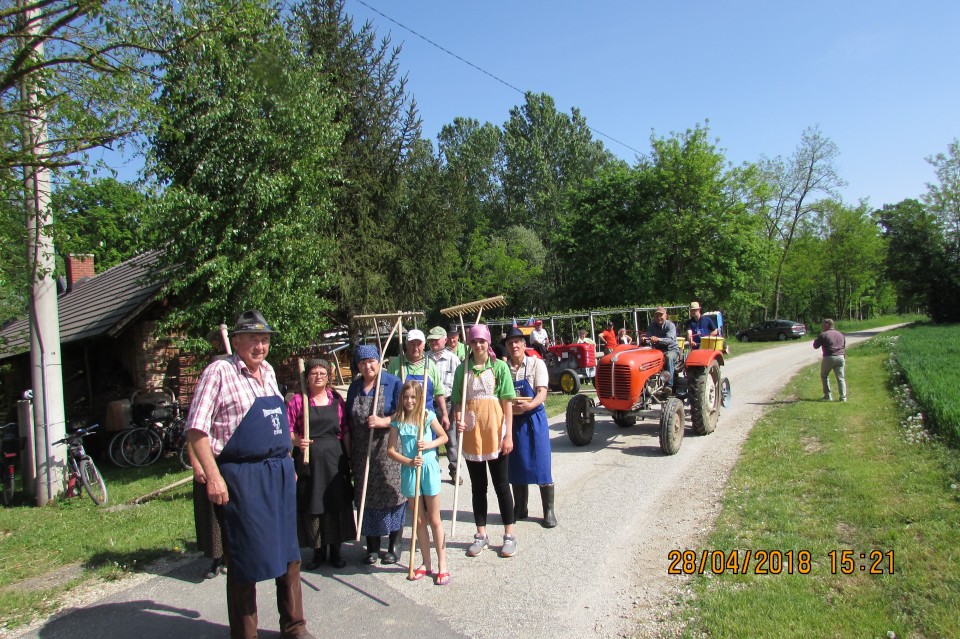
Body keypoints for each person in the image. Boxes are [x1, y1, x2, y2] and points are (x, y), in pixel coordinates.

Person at [185, 310, 313, 639]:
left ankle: (295, 628)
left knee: (289, 555)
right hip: (241, 478)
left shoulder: (268, 371)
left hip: (278, 475)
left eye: (265, 339)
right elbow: (196, 430)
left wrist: (287, 460)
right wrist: (213, 477)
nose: (260, 346)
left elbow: (276, 423)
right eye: (253, 339)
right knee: (245, 560)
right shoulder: (219, 372)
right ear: (237, 341)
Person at [451, 323, 518, 558]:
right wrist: (458, 419)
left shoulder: (499, 367)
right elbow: (457, 402)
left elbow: (507, 402)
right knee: (478, 487)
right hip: (471, 434)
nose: (478, 345)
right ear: (468, 344)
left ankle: (509, 535)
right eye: (474, 341)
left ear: (488, 343)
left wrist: (508, 434)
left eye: (482, 341)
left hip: (495, 432)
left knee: (501, 485)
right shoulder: (463, 369)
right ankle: (481, 534)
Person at [287, 359, 355, 570]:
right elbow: (287, 429)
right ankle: (317, 552)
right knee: (313, 503)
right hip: (309, 460)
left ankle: (335, 550)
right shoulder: (298, 401)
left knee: (335, 503)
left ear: (328, 377)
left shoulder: (336, 400)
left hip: (334, 459)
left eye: (322, 373)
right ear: (307, 376)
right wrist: (297, 441)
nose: (318, 376)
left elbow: (344, 431)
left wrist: (350, 458)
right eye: (314, 373)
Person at [386, 380, 450, 585]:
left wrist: (430, 444)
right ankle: (426, 563)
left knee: (435, 519)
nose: (409, 401)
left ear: (420, 398)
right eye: (405, 397)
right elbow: (391, 450)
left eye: (413, 397)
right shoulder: (397, 420)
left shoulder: (427, 416)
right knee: (418, 521)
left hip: (429, 468)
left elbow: (444, 437)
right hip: (410, 471)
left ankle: (442, 566)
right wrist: (408, 461)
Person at [346, 344, 405, 565]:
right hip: (362, 451)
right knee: (366, 497)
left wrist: (385, 421)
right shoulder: (355, 387)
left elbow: (405, 412)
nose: (367, 366)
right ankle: (371, 545)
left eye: (371, 361)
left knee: (393, 494)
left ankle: (394, 543)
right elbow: (348, 419)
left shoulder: (392, 383)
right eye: (362, 362)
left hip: (387, 449)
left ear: (379, 362)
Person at [504, 327, 557, 528]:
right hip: (514, 421)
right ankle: (521, 507)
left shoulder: (537, 364)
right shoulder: (504, 368)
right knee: (516, 464)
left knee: (541, 462)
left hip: (534, 419)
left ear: (524, 345)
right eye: (510, 343)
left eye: (517, 342)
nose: (514, 346)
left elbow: (542, 392)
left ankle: (548, 511)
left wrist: (530, 405)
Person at [387, 329, 449, 429]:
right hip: (403, 419)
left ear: (424, 345)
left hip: (427, 419)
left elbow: (438, 392)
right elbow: (388, 392)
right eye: (412, 343)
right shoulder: (396, 364)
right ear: (406, 344)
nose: (415, 347)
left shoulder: (430, 365)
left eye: (419, 344)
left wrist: (445, 414)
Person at [426, 326, 462, 484]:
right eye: (431, 339)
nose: (433, 342)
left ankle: (455, 471)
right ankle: (432, 471)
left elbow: (459, 385)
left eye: (436, 339)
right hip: (428, 405)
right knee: (429, 438)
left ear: (445, 340)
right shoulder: (425, 358)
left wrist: (455, 407)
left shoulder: (453, 359)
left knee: (450, 439)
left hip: (447, 404)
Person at [643, 307, 680, 393]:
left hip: (671, 349)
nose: (658, 317)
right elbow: (649, 337)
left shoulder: (670, 325)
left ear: (666, 316)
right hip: (657, 350)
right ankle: (646, 384)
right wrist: (644, 339)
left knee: (668, 357)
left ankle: (668, 385)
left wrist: (658, 339)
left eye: (661, 315)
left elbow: (670, 340)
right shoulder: (652, 326)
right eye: (656, 315)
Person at [813, 319, 847, 402]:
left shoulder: (823, 334)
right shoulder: (840, 334)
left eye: (823, 325)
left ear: (827, 325)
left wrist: (816, 339)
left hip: (829, 357)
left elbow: (815, 346)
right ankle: (843, 398)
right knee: (840, 378)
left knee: (824, 375)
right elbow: (843, 346)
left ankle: (828, 396)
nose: (822, 326)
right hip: (840, 356)